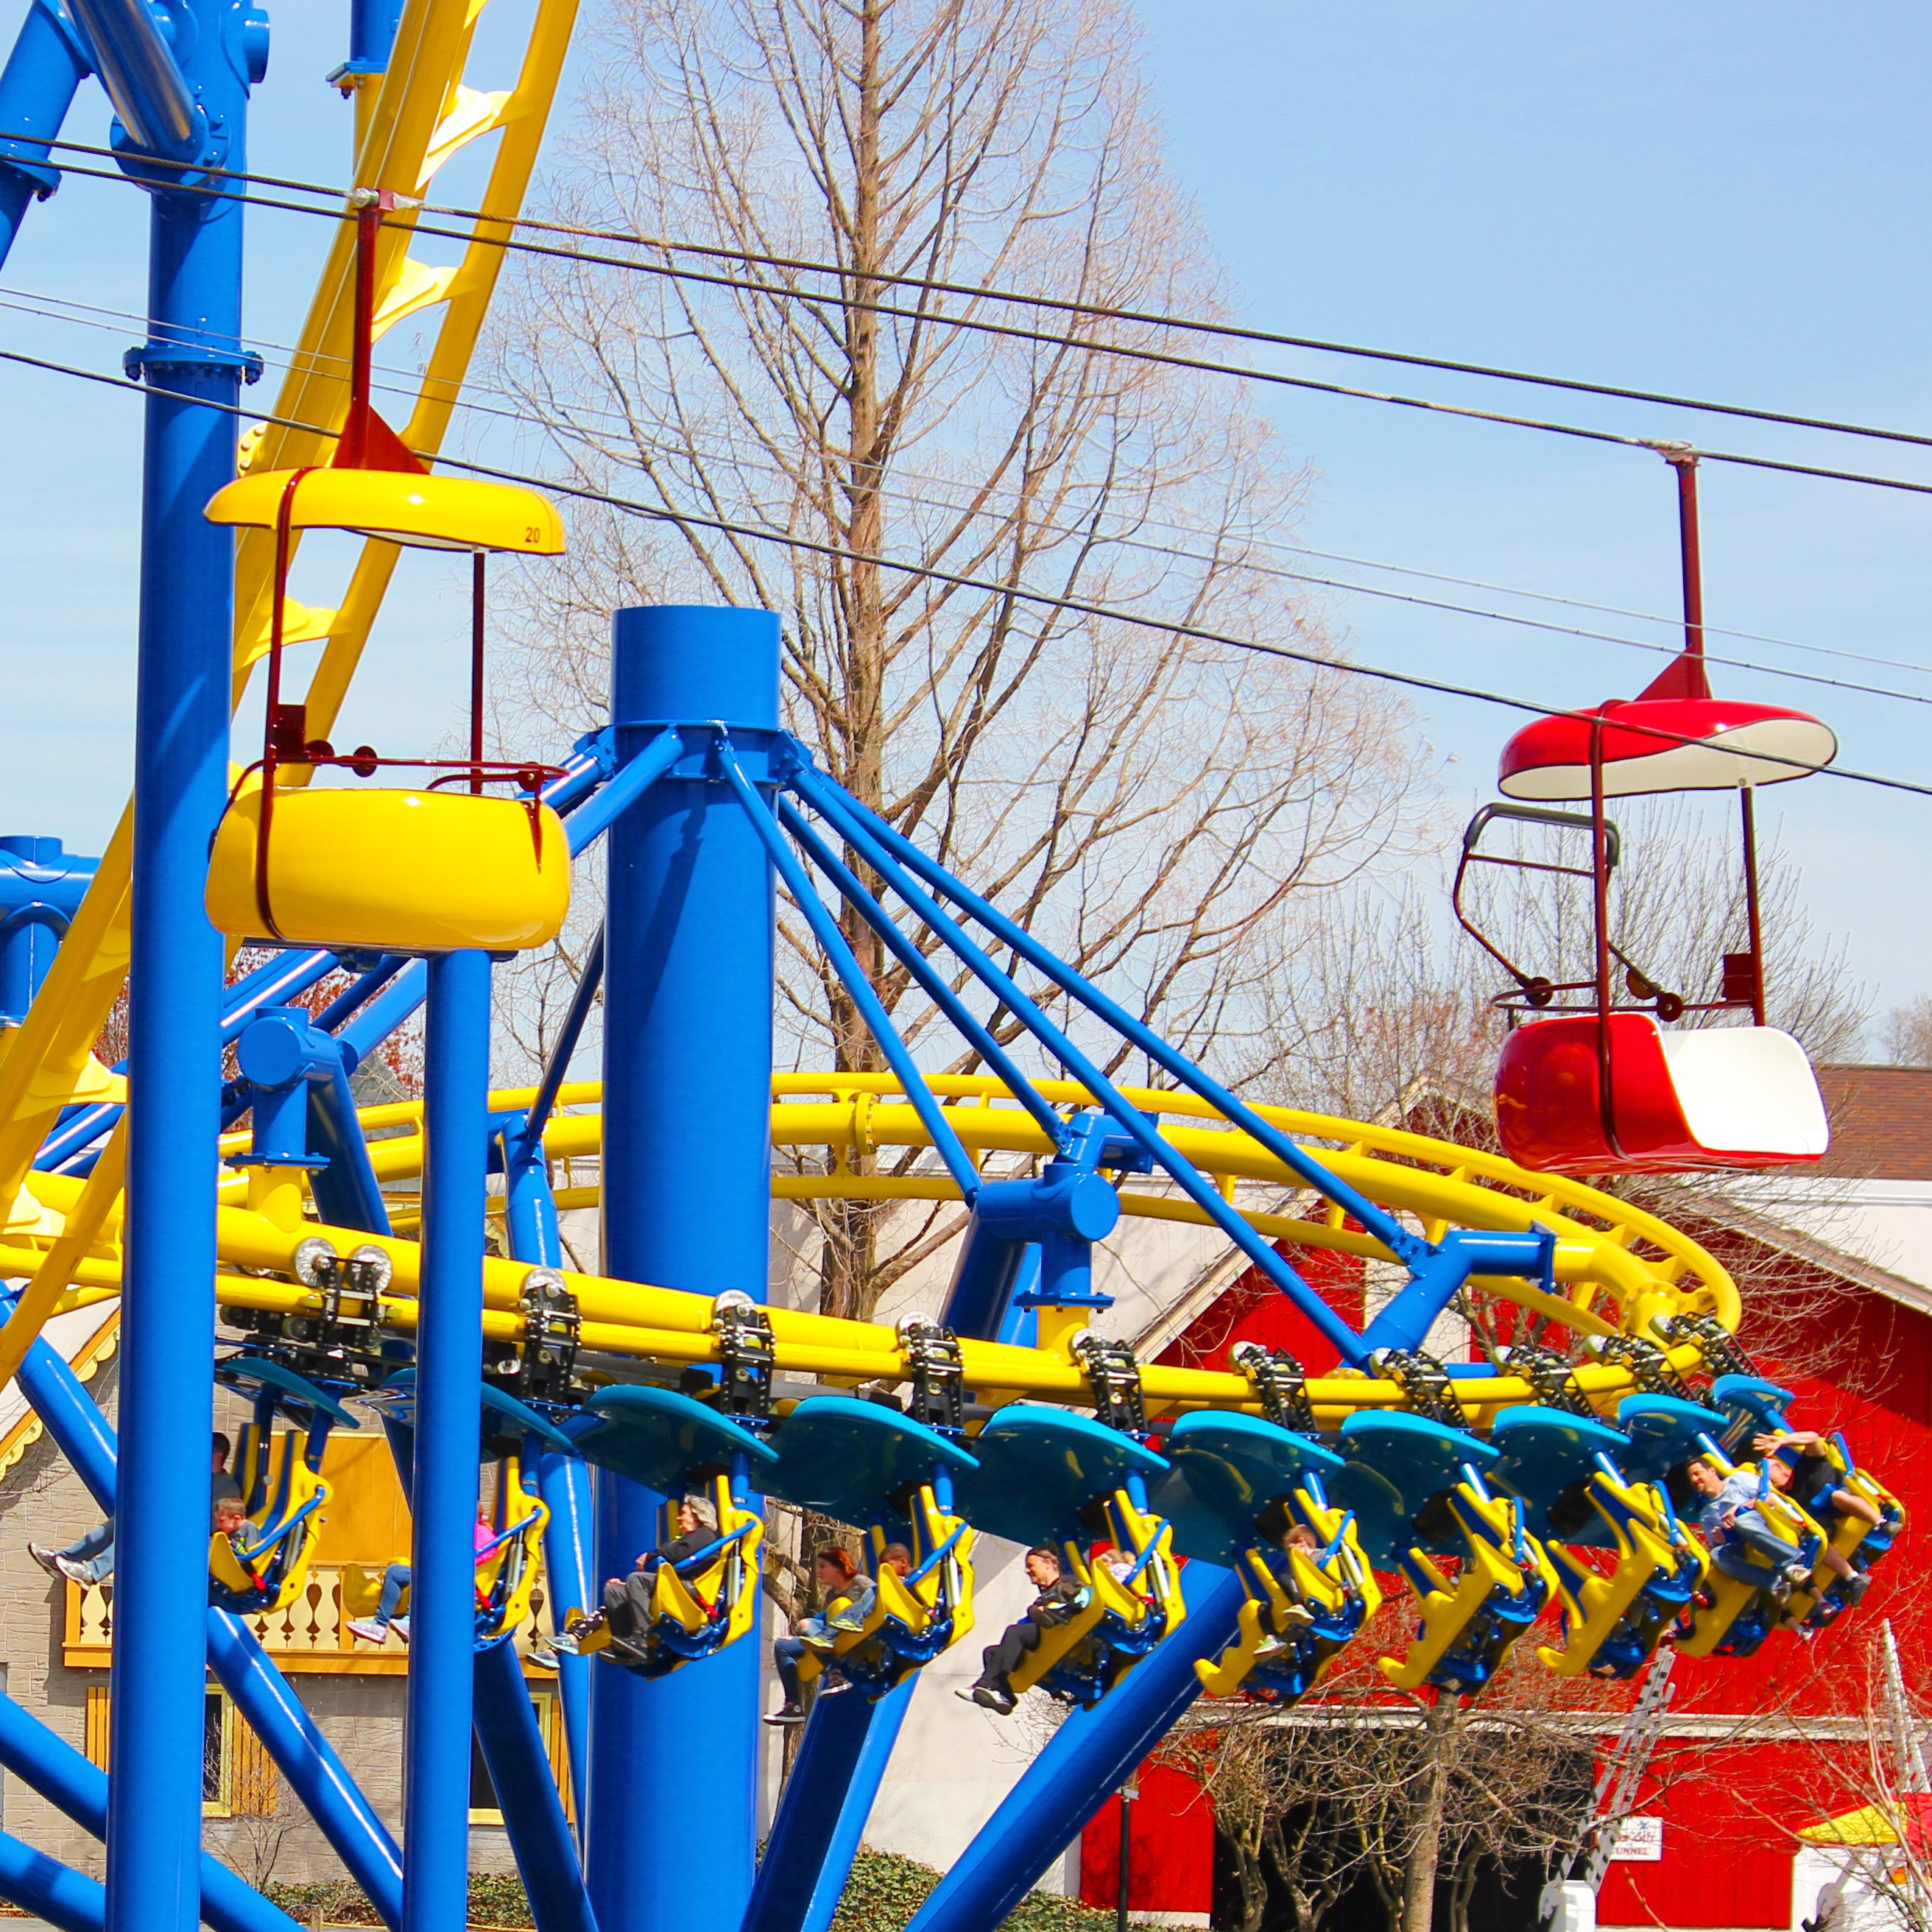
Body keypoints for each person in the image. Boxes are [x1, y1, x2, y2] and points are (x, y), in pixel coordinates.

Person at [32, 1431, 239, 1587]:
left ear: (216, 1455)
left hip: (190, 1539)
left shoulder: (227, 1488)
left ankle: (93, 1572)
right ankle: (66, 1558)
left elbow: (214, 1523)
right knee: (125, 1520)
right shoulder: (193, 1478)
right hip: (169, 1526)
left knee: (138, 1529)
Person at [558, 1495, 723, 1660]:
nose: (678, 1518)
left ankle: (642, 1636)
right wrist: (626, 1586)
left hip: (688, 1592)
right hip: (671, 1585)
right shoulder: (686, 1539)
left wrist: (650, 1556)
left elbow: (678, 1556)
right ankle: (624, 1643)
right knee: (614, 1591)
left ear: (698, 1516)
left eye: (683, 1513)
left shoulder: (705, 1535)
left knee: (637, 1579)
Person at [958, 1544, 1089, 1716]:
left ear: (1048, 1563)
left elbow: (1083, 1601)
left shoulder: (1067, 1583)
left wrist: (1050, 1611)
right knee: (991, 1653)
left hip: (1060, 1630)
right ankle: (1004, 1695)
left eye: (1031, 1565)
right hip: (1041, 1639)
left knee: (1016, 1632)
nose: (1028, 1571)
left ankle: (986, 1684)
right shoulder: (1043, 1596)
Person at [348, 1500, 499, 1646]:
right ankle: (380, 1625)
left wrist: (455, 1563)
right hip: (443, 1572)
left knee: (424, 1575)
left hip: (456, 1578)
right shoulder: (458, 1532)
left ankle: (410, 1621)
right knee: (395, 1571)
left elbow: (488, 1554)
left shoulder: (480, 1531)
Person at [1755, 1431, 1878, 1603]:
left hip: (1842, 1495)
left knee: (1837, 1497)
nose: (1780, 1470)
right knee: (1819, 1541)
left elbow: (1813, 1438)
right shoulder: (1788, 1500)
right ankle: (1853, 1578)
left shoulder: (1806, 1464)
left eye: (1777, 1466)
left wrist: (1782, 1441)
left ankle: (1881, 1523)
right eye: (1771, 1471)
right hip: (1825, 1521)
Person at [764, 1546, 876, 1724]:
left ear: (839, 1566)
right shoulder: (832, 1594)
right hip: (830, 1636)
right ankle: (793, 1705)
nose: (818, 1571)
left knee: (823, 1619)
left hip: (858, 1638)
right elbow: (826, 1618)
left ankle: (840, 1672)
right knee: (783, 1646)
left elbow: (876, 1600)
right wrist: (804, 1626)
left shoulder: (860, 1584)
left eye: (823, 1566)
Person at [1680, 1457, 1815, 1598]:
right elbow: (1717, 1544)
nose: (1695, 1480)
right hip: (1740, 1541)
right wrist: (1719, 1541)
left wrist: (1739, 1508)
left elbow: (1768, 1498)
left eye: (1697, 1474)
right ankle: (1775, 1584)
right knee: (1716, 1555)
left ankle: (1792, 1562)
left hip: (1764, 1520)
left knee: (1742, 1521)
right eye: (1691, 1478)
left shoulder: (1738, 1480)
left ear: (1712, 1471)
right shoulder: (1707, 1514)